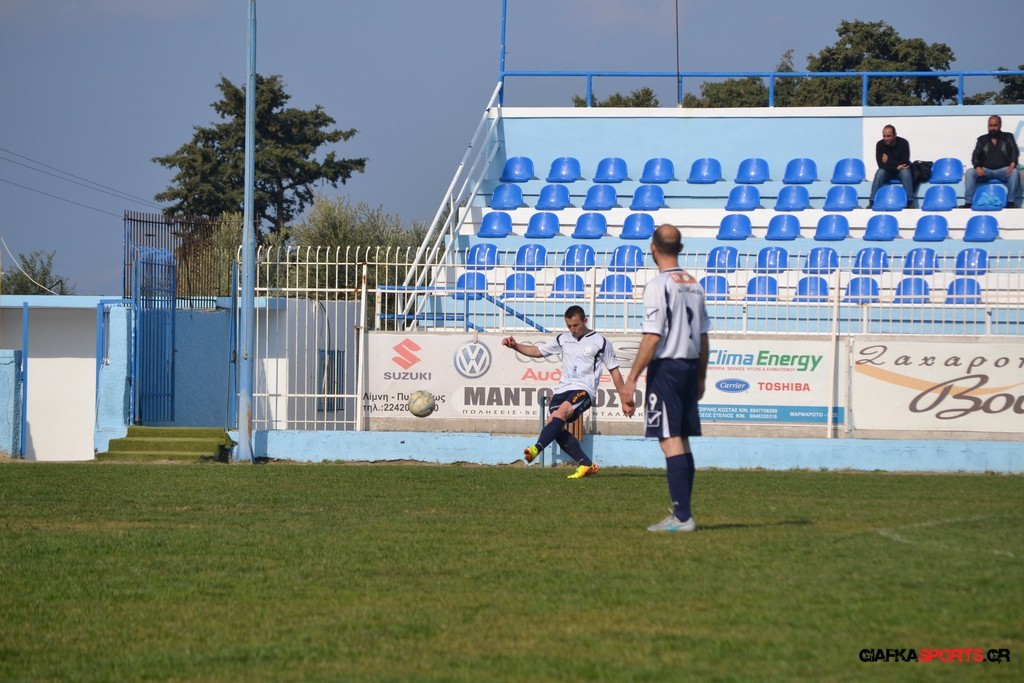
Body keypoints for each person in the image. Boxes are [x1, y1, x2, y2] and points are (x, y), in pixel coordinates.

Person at [623, 224, 710, 533]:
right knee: (681, 439)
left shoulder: (658, 285)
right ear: (681, 248)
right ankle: (682, 513)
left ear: (653, 248)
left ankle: (682, 517)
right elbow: (703, 337)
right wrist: (701, 376)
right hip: (689, 366)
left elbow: (652, 336)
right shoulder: (695, 285)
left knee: (669, 440)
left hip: (667, 370)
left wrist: (632, 378)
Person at [502, 305, 633, 479]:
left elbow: (614, 371)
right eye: (569, 326)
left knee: (562, 412)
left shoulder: (600, 342)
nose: (573, 329)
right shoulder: (563, 339)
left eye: (576, 325)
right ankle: (586, 465)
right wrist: (515, 346)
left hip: (584, 390)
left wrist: (624, 400)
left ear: (585, 321)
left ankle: (536, 449)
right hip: (562, 389)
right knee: (554, 423)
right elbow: (538, 351)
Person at [963, 115, 1020, 209]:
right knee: (970, 172)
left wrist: (1013, 163)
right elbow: (975, 155)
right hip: (986, 171)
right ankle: (968, 202)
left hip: (1003, 170)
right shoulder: (982, 139)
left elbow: (1014, 151)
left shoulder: (1008, 137)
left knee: (1014, 172)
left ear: (1000, 125)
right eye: (991, 125)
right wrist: (977, 166)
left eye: (995, 125)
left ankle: (1011, 202)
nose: (993, 128)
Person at [867, 124, 914, 209]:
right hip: (887, 171)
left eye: (889, 136)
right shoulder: (880, 144)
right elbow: (881, 165)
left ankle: (909, 202)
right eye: (884, 136)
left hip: (900, 171)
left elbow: (904, 162)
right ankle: (872, 201)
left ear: (895, 135)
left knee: (905, 172)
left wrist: (888, 161)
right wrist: (896, 167)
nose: (886, 138)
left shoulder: (903, 143)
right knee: (880, 172)